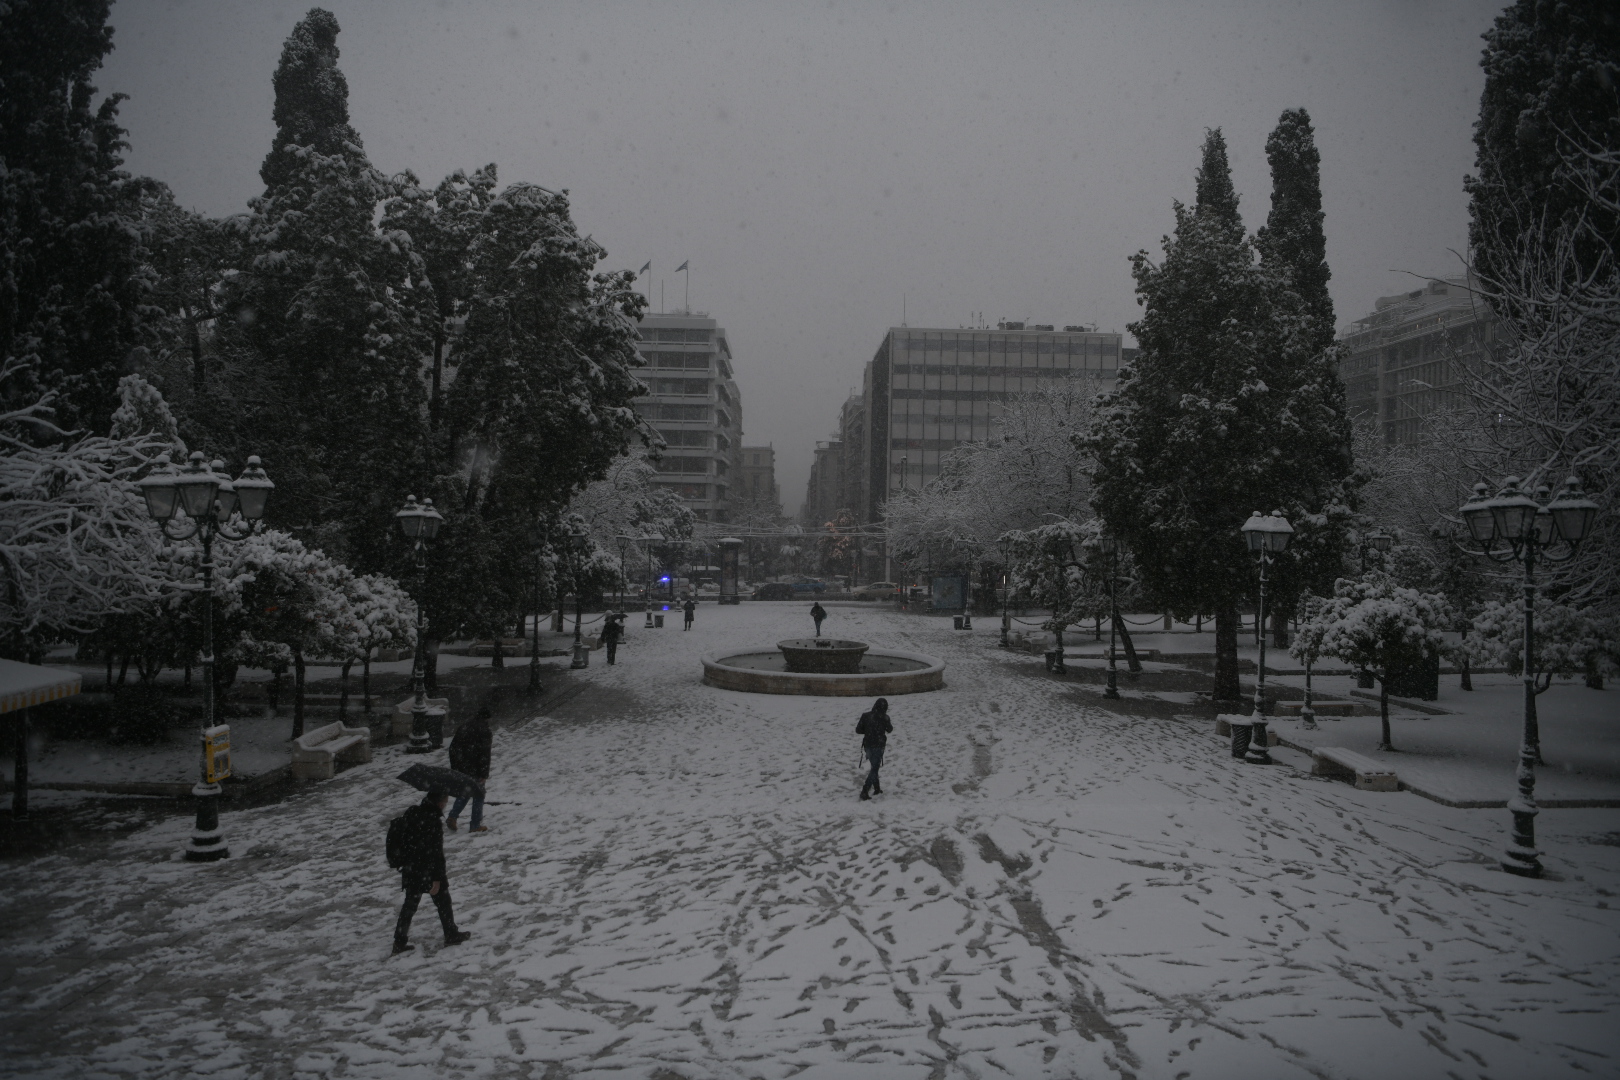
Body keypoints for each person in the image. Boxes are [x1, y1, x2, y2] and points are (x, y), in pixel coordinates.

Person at [393, 788, 472, 954]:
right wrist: (437, 879)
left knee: (409, 906)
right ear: (440, 803)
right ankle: (450, 934)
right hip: (427, 870)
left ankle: (399, 942)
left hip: (411, 868)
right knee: (443, 901)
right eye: (445, 801)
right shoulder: (433, 821)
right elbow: (435, 854)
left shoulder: (412, 812)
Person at [446, 709, 493, 833]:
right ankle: (475, 824)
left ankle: (453, 816)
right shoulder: (485, 731)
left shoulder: (464, 727)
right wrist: (483, 774)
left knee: (466, 791)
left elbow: (453, 748)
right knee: (478, 794)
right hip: (476, 768)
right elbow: (484, 754)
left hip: (462, 766)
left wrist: (456, 767)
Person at [855, 697, 892, 801]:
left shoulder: (866, 716)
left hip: (868, 745)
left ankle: (877, 788)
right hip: (879, 745)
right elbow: (890, 729)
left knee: (874, 767)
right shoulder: (885, 717)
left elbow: (858, 730)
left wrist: (868, 731)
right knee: (875, 768)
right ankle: (865, 790)